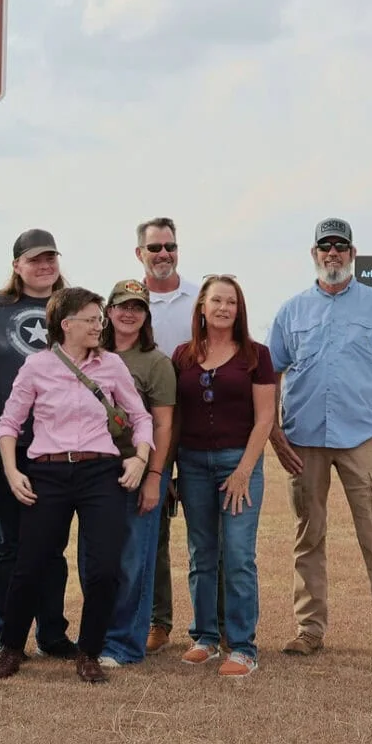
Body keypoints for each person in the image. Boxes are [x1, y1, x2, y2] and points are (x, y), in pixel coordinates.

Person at [268, 218, 372, 666]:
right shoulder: (292, 311)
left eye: (340, 246)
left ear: (352, 253)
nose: (332, 254)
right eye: (325, 247)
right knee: (308, 537)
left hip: (362, 440)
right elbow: (270, 373)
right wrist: (274, 433)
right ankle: (309, 630)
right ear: (314, 254)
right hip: (304, 442)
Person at [0, 287, 154, 683]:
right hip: (47, 473)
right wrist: (12, 472)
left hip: (101, 473)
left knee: (104, 569)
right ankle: (10, 649)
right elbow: (8, 425)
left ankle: (89, 653)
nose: (100, 325)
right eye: (92, 319)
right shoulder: (36, 367)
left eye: (100, 319)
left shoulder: (112, 365)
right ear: (66, 325)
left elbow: (140, 417)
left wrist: (140, 458)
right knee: (30, 566)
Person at [0, 230, 77, 659]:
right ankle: (8, 636)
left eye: (50, 258)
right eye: (35, 259)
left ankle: (52, 633)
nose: (44, 266)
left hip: (61, 444)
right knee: (10, 543)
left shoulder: (73, 305)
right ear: (16, 265)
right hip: (7, 444)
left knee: (53, 545)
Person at [171, 275, 275, 676]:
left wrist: (244, 471)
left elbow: (265, 416)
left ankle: (243, 646)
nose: (223, 308)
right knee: (201, 553)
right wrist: (171, 471)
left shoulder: (255, 355)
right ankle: (205, 638)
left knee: (238, 555)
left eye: (231, 302)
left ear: (239, 309)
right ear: (201, 306)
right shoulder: (183, 355)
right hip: (193, 463)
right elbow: (176, 417)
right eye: (216, 300)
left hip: (239, 461)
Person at [135, 217, 207, 656]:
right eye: (155, 247)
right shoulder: (126, 299)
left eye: (170, 246)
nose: (164, 254)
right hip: (147, 428)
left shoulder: (199, 298)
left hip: (197, 422)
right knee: (151, 525)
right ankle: (157, 621)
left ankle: (210, 628)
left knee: (203, 528)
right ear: (139, 253)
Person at [97, 281, 176, 667]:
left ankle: (125, 643)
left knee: (134, 561)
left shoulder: (155, 363)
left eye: (138, 308)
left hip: (138, 469)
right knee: (96, 560)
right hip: (94, 471)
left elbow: (163, 426)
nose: (129, 313)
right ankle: (98, 633)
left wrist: (154, 476)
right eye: (121, 306)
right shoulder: (89, 355)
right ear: (108, 311)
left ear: (146, 317)